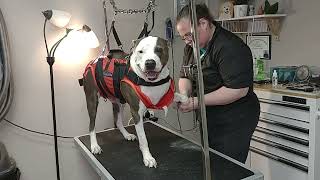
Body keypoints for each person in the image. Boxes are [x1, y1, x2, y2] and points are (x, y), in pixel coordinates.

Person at [175, 3, 260, 163]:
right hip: (210, 117)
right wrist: (185, 96)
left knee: (227, 168)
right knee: (211, 163)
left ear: (204, 23)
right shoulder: (192, 46)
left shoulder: (230, 47)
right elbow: (185, 75)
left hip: (234, 119)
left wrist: (197, 101)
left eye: (188, 35)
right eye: (183, 37)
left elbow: (237, 91)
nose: (186, 41)